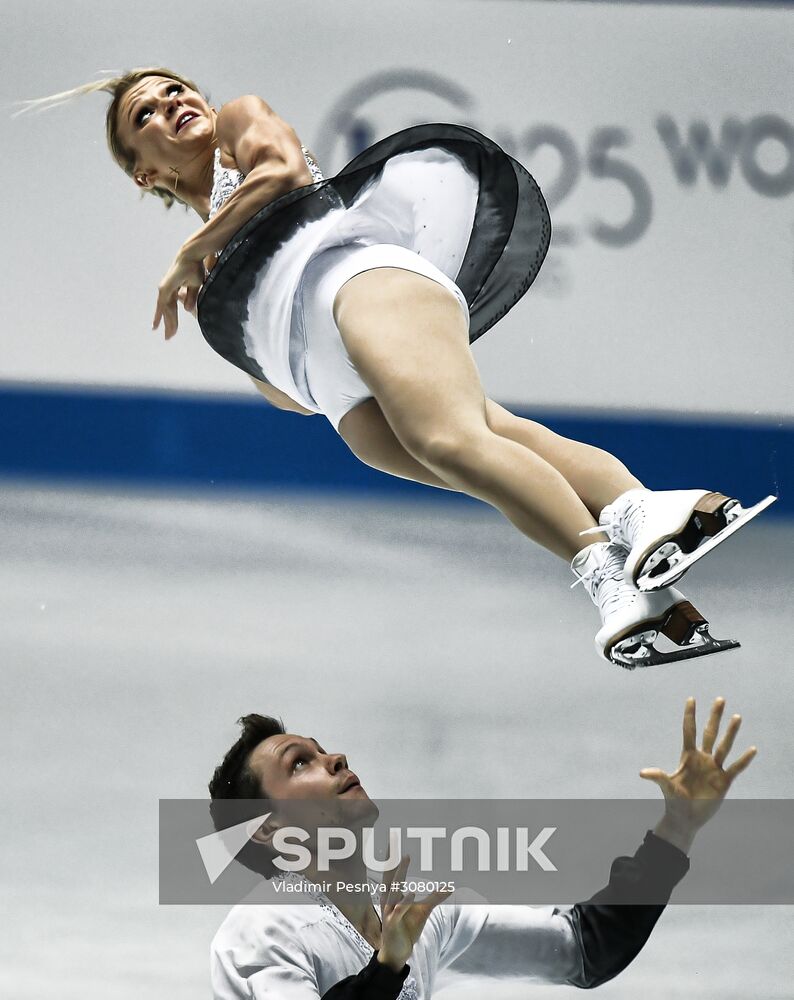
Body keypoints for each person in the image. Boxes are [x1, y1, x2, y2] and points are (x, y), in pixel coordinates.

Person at [22, 69, 774, 666]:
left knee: (451, 439)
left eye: (174, 89)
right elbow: (276, 387)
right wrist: (256, 348)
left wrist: (191, 255)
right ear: (144, 175)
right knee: (487, 449)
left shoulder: (240, 128)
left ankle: (620, 543)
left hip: (365, 283)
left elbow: (283, 173)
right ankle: (637, 551)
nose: (170, 105)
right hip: (331, 382)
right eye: (144, 117)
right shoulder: (212, 267)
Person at [207, 696, 756, 998]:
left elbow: (586, 949)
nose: (336, 758)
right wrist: (388, 967)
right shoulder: (262, 929)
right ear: (268, 829)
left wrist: (676, 830)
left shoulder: (421, 916)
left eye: (322, 749)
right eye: (298, 763)